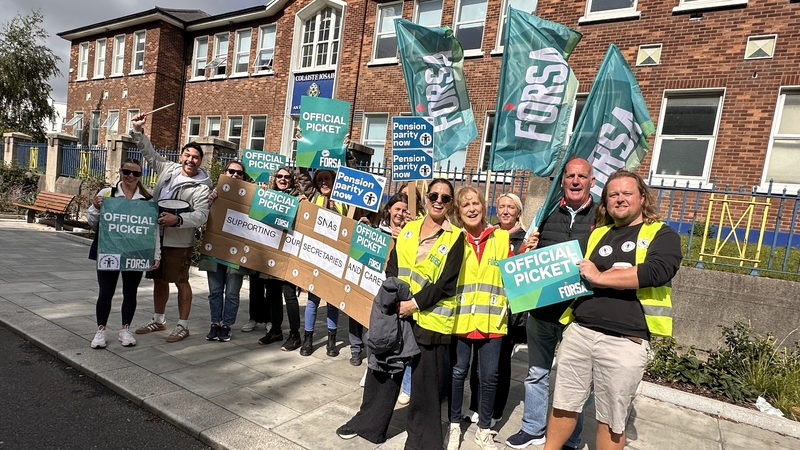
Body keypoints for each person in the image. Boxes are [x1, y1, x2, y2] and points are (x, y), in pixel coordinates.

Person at [543, 169, 682, 450]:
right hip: (579, 333)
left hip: (625, 341)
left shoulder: (662, 234)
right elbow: (564, 266)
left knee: (612, 418)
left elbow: (656, 271)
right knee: (563, 405)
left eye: (626, 193)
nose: (619, 199)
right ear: (605, 202)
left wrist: (599, 277)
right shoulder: (597, 234)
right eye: (613, 194)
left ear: (642, 198)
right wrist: (528, 257)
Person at [336, 178, 465, 449]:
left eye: (445, 198)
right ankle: (368, 424)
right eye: (434, 196)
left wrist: (414, 304)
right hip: (398, 313)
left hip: (430, 320)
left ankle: (423, 442)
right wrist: (398, 300)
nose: (438, 201)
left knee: (425, 387)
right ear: (426, 198)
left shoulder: (456, 237)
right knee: (381, 370)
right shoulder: (409, 229)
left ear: (451, 204)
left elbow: (447, 282)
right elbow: (393, 267)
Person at [505, 157, 597, 449]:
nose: (574, 181)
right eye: (569, 175)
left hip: (578, 313)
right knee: (536, 373)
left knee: (575, 382)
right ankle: (533, 428)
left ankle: (570, 439)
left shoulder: (602, 217)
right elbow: (525, 260)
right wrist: (528, 247)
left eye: (581, 176)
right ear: (563, 181)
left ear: (591, 181)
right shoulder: (545, 213)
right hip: (543, 309)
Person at [130, 114, 212, 343]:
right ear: (181, 155)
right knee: (158, 279)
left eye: (196, 157)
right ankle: (159, 320)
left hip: (179, 240)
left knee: (180, 281)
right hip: (156, 237)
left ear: (200, 162)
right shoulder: (168, 169)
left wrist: (177, 221)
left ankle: (183, 325)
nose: (190, 160)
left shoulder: (202, 188)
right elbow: (149, 153)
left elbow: (201, 215)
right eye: (187, 155)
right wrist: (138, 130)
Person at [445, 186, 512, 450]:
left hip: (492, 321)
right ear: (459, 212)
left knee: (489, 377)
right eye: (465, 205)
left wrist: (527, 253)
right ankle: (453, 425)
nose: (472, 208)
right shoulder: (451, 238)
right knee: (457, 373)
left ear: (484, 207)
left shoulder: (502, 238)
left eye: (476, 203)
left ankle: (484, 430)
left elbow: (514, 275)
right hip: (460, 319)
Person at [464, 192, 527, 427]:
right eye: (501, 206)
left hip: (508, 314)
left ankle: (495, 409)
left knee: (499, 365)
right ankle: (475, 406)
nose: (506, 211)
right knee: (477, 363)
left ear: (519, 212)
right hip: (482, 311)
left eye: (511, 207)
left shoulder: (526, 238)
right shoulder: (488, 233)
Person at [87, 158, 160, 349]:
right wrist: (95, 207)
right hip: (109, 250)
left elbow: (153, 231)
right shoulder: (107, 194)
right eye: (127, 172)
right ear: (120, 171)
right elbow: (92, 222)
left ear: (140, 176)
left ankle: (125, 329)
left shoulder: (146, 200)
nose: (130, 176)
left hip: (135, 252)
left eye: (136, 173)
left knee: (130, 292)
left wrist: (156, 254)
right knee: (105, 292)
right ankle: (101, 330)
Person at [199, 161, 254, 342]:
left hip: (236, 254)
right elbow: (201, 218)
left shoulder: (248, 199)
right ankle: (215, 323)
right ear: (225, 173)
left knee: (232, 293)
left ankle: (226, 325)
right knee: (215, 291)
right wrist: (210, 202)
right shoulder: (213, 194)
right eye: (231, 171)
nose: (235, 175)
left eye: (239, 173)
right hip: (215, 252)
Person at [300, 169, 347, 357]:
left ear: (334, 180)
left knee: (333, 301)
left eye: (327, 179)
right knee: (312, 300)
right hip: (317, 257)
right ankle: (308, 340)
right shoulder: (312, 199)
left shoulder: (345, 203)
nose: (323, 182)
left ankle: (331, 341)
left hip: (336, 259)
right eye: (319, 180)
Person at [258, 166, 306, 351]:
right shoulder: (268, 195)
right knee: (272, 294)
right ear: (275, 178)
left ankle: (295, 335)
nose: (283, 179)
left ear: (292, 180)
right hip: (271, 252)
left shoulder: (298, 198)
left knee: (289, 294)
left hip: (289, 253)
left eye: (287, 177)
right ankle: (276, 330)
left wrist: (303, 203)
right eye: (280, 176)